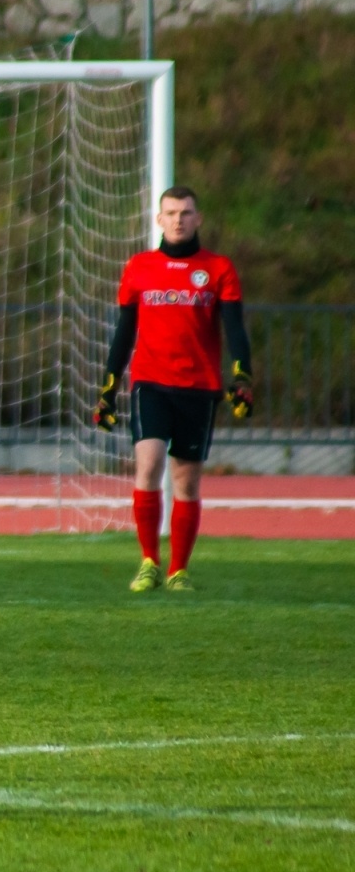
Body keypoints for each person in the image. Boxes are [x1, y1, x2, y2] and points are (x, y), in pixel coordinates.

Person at [93, 186, 254, 592]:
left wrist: (243, 377)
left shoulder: (218, 269)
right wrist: (109, 388)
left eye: (186, 212)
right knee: (147, 465)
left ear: (198, 219)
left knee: (187, 479)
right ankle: (149, 560)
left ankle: (178, 570)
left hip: (199, 386)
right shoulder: (139, 267)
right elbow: (124, 331)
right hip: (150, 382)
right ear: (159, 219)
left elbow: (235, 329)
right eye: (171, 213)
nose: (178, 219)